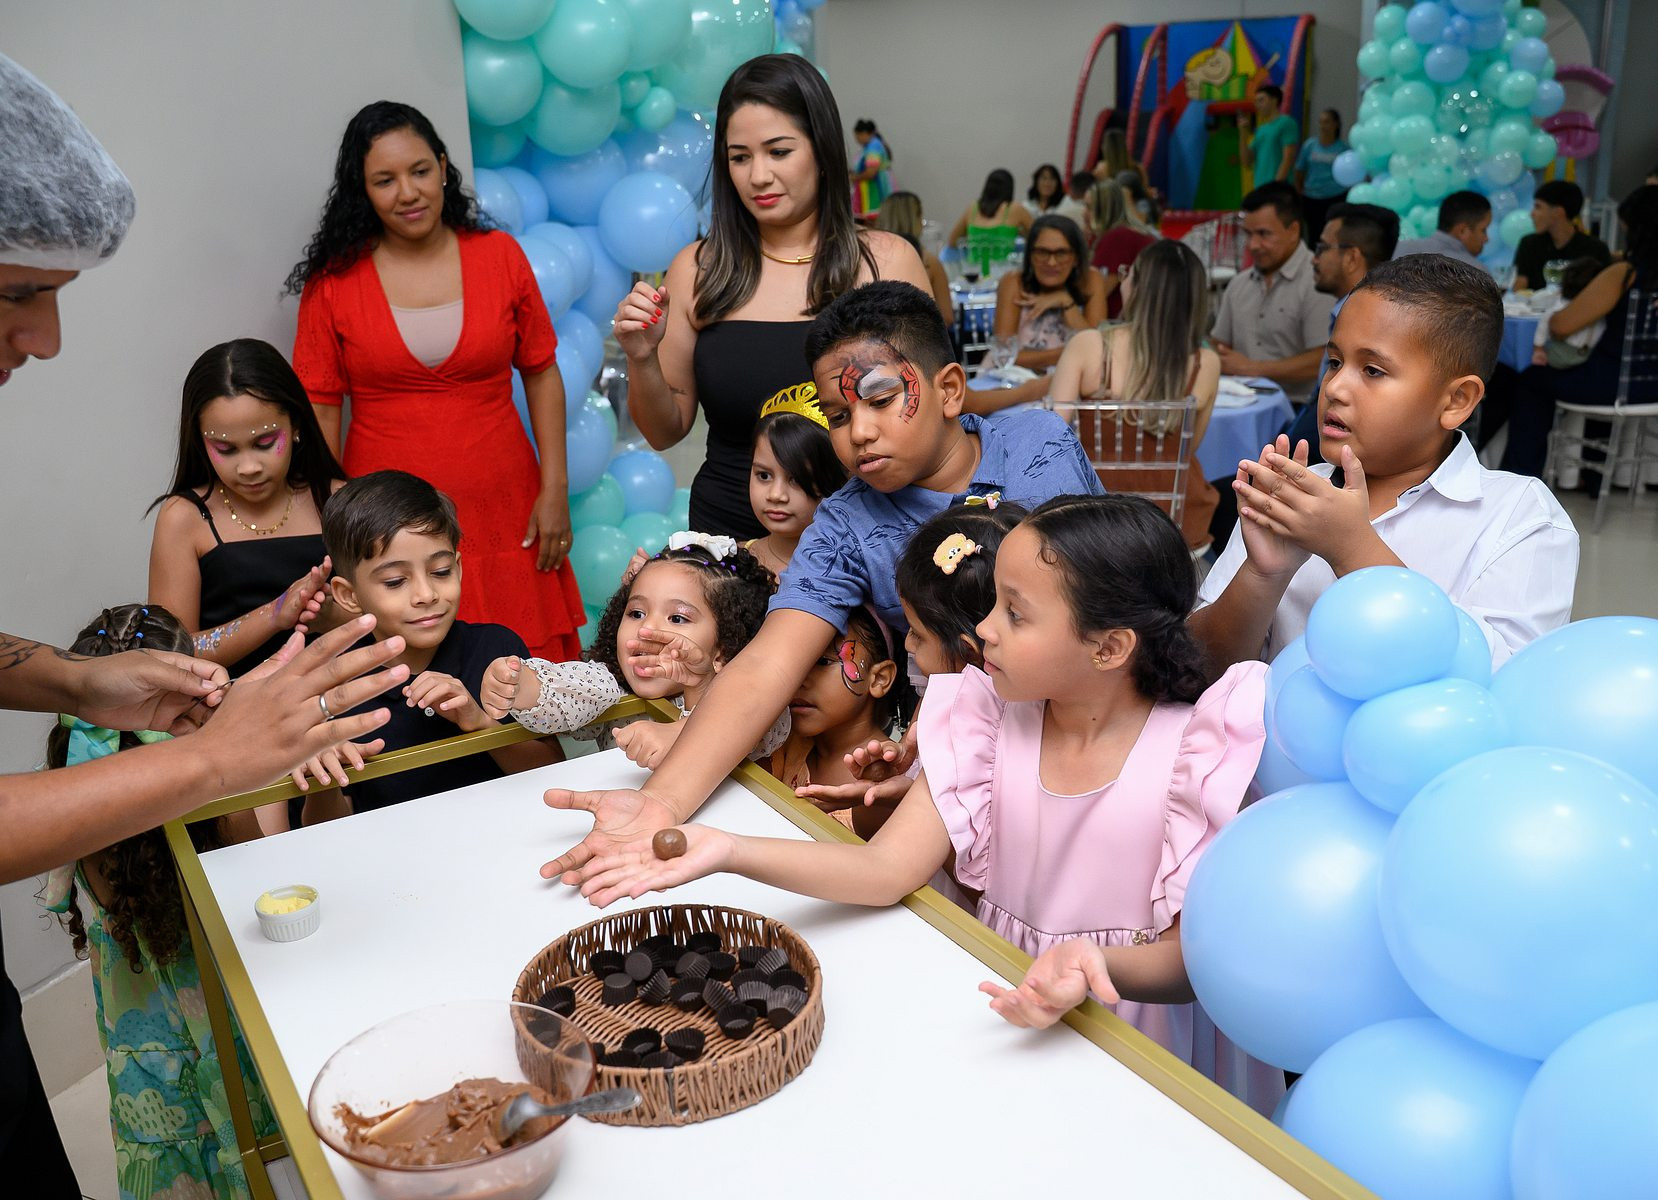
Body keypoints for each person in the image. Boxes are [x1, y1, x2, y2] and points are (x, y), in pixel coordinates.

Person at [0, 52, 405, 1193]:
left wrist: (73, 679)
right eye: (17, 293)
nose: (48, 340)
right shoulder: (186, 521)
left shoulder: (330, 499)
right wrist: (217, 759)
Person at [573, 495, 1283, 1115]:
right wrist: (728, 849)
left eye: (1015, 614)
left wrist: (1095, 966)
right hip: (1000, 1004)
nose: (986, 630)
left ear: (1109, 647)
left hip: (1136, 1042)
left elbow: (1192, 963)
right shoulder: (985, 723)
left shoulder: (1197, 754)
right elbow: (883, 871)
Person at [537, 281, 1103, 887]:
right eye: (837, 416)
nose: (858, 433)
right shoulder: (845, 524)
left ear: (948, 390)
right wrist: (661, 803)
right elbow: (766, 665)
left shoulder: (1038, 448)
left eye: (880, 399)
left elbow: (1099, 596)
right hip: (965, 769)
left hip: (1098, 729)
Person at [289, 100, 584, 662]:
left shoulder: (500, 256)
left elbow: (542, 373)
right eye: (385, 180)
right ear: (362, 190)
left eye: (420, 171)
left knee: (524, 675)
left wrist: (555, 489)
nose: (408, 192)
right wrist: (332, 518)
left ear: (444, 167)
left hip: (505, 503)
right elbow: (320, 410)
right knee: (403, 678)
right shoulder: (334, 283)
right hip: (385, 520)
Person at [1191, 255, 1578, 674]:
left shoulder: (1519, 518)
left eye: (1373, 370)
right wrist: (1262, 574)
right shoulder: (1288, 498)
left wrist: (1352, 548)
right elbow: (1194, 673)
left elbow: (1505, 682)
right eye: (1334, 362)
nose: (1335, 388)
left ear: (1456, 400)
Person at [614, 54, 928, 540]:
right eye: (740, 157)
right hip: (732, 539)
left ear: (821, 150)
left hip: (868, 537)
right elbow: (664, 431)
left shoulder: (886, 261)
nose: (757, 176)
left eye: (778, 152)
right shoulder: (699, 269)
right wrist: (642, 357)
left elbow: (931, 414)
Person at [40, 606, 275, 1200]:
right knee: (253, 1142)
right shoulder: (202, 794)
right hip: (219, 1020)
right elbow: (254, 875)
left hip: (142, 1045)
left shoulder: (75, 787)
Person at [298, 471, 560, 818]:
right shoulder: (330, 686)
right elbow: (321, 830)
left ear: (458, 567)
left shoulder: (498, 651)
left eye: (440, 572)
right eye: (395, 581)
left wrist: (480, 724)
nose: (426, 594)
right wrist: (323, 780)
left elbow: (554, 772)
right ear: (349, 595)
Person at [795, 499, 1029, 817]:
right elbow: (883, 826)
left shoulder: (982, 742)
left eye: (917, 633)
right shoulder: (936, 697)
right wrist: (881, 790)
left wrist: (907, 797)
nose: (907, 642)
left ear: (967, 653)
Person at [481, 534, 788, 770]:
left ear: (724, 648)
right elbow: (564, 690)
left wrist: (692, 698)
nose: (646, 629)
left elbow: (765, 723)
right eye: (636, 613)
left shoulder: (747, 697)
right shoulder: (610, 686)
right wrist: (518, 685)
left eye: (677, 618)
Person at [148, 339, 344, 677]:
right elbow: (168, 655)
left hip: (344, 699)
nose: (249, 467)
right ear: (200, 441)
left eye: (264, 442)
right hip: (230, 704)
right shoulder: (185, 517)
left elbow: (396, 618)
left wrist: (333, 615)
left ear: (296, 425)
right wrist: (274, 614)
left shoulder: (339, 501)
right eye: (225, 449)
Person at [1050, 240, 1222, 550]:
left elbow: (1051, 439)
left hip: (1096, 523)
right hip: (1175, 523)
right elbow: (1187, 448)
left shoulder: (1089, 346)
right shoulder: (1205, 363)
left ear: (1139, 287)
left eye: (1129, 272)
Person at [1502, 185, 1658, 478]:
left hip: (1615, 383)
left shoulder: (1625, 274)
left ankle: (1519, 477)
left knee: (1532, 379)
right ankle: (1594, 479)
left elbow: (1561, 326)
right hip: (1651, 384)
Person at [1274, 201, 1402, 470]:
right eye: (1335, 363)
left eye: (1322, 248)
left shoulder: (1372, 324)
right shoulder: (1347, 313)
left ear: (1352, 257)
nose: (1314, 258)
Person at [769, 606, 906, 836]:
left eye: (823, 662)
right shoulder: (781, 743)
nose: (799, 677)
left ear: (879, 679)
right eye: (795, 661)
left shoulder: (890, 772)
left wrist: (878, 794)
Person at [1210, 182, 1336, 404]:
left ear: (1293, 231)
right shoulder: (1239, 284)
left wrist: (1252, 368)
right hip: (1240, 403)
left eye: (1263, 234)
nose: (1253, 245)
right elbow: (1219, 345)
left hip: (1299, 408)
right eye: (1248, 234)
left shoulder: (1318, 282)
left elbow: (1323, 359)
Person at [745, 388, 847, 579]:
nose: (776, 495)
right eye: (764, 475)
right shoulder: (731, 563)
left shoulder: (851, 573)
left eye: (797, 479)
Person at [991, 214, 1106, 372]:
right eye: (1042, 252)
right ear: (1030, 256)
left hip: (1073, 376)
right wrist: (1071, 352)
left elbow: (1097, 348)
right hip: (1015, 378)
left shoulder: (1091, 279)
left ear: (1076, 258)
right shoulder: (1014, 282)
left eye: (1061, 253)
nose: (1051, 262)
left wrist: (1066, 302)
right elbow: (1004, 355)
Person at [1511, 180, 1611, 292]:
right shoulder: (1529, 244)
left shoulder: (1595, 249)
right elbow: (1519, 287)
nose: (1532, 214)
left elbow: (1604, 291)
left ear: (1558, 212)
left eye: (1538, 207)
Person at [873, 190, 952, 323]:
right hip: (920, 333)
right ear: (915, 219)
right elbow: (947, 316)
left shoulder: (871, 259)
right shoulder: (928, 261)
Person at [1086, 179, 1158, 320]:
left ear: (1102, 209)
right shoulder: (1128, 233)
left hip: (1128, 322)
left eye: (1089, 207)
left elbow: (1097, 294)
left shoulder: (1118, 238)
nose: (1084, 213)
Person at [1530, 257, 1606, 368]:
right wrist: (1538, 349)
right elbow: (1545, 322)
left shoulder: (1600, 307)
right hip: (1563, 355)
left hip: (1591, 354)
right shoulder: (1563, 306)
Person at [1393, 191, 1491, 270]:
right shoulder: (1475, 271)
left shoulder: (1397, 249)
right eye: (1483, 230)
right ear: (1462, 231)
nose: (1486, 239)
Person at [1294, 108, 1349, 246]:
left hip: (1335, 197)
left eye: (1327, 122)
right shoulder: (1310, 145)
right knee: (1313, 234)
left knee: (1333, 235)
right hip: (1312, 197)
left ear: (1336, 124)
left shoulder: (1343, 149)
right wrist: (1300, 191)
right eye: (1321, 122)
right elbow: (1299, 170)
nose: (1323, 126)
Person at [946, 168, 1034, 243]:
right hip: (1004, 258)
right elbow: (1038, 235)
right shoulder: (1015, 209)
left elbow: (952, 241)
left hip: (974, 258)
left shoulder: (973, 208)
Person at [1239, 84, 1298, 186]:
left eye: (1261, 100)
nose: (1257, 105)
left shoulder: (1286, 123)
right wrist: (1243, 135)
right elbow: (1246, 161)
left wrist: (1275, 187)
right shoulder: (1261, 130)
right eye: (1256, 101)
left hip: (1279, 188)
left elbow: (1288, 159)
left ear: (1274, 100)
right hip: (1261, 188)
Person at [849, 117, 892, 224]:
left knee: (873, 221)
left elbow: (871, 172)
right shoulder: (868, 147)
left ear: (863, 133)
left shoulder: (874, 147)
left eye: (857, 136)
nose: (856, 139)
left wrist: (853, 177)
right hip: (867, 190)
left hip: (874, 190)